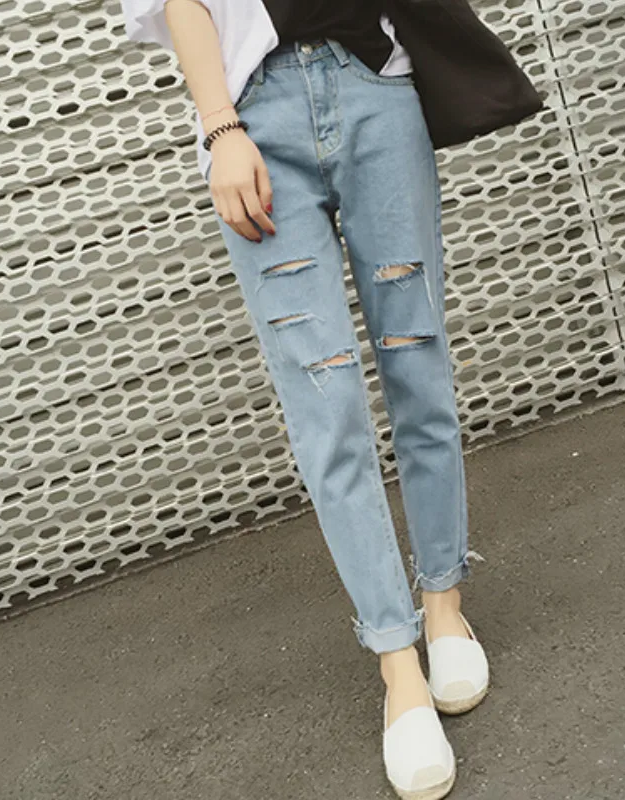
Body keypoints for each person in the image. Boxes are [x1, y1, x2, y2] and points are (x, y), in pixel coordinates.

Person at [119, 2, 540, 797]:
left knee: (417, 362)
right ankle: (396, 661)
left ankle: (443, 603)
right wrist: (219, 128)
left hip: (375, 87)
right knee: (324, 404)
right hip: (256, 116)